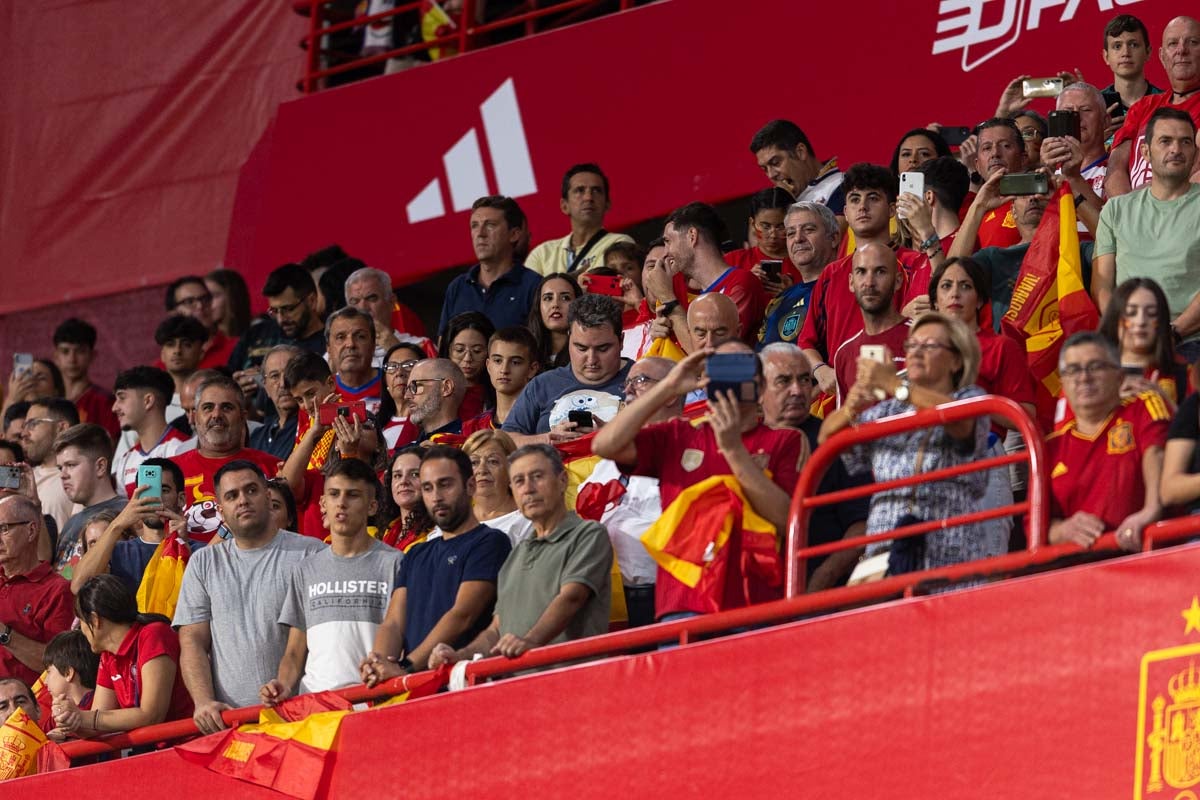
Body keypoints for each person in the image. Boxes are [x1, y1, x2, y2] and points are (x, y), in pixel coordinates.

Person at [593, 341, 809, 618]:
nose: (733, 378)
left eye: (743, 368)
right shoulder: (678, 436)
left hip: (755, 603)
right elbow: (605, 446)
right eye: (722, 370)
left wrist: (733, 450)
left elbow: (787, 520)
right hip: (684, 603)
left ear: (760, 385)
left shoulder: (785, 440)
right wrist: (669, 386)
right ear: (706, 382)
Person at [821, 313, 1004, 576]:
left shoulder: (969, 397)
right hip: (884, 552)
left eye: (929, 346)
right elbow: (827, 440)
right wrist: (852, 404)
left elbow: (961, 423)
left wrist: (894, 384)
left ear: (955, 360)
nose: (917, 352)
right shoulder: (890, 408)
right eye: (912, 345)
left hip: (947, 548)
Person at [429, 444, 612, 665]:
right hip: (519, 688)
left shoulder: (588, 534)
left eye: (537, 477)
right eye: (518, 481)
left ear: (562, 481)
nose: (528, 489)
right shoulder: (516, 553)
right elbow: (496, 629)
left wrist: (530, 642)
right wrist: (460, 656)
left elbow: (571, 597)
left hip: (571, 681)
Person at [174, 461, 323, 733]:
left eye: (251, 490)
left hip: (304, 716)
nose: (242, 500)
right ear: (220, 510)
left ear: (268, 496)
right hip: (232, 723)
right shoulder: (203, 563)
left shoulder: (311, 553)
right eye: (232, 496)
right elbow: (192, 640)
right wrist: (204, 701)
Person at [361, 446, 511, 680]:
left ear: (470, 486)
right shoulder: (416, 553)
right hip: (416, 687)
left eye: (445, 484)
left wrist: (406, 668)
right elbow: (392, 623)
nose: (436, 497)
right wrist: (378, 664)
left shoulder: (491, 542)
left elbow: (463, 614)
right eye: (428, 488)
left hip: (461, 684)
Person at [261, 459, 403, 703]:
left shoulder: (396, 563)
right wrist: (283, 684)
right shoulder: (306, 569)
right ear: (323, 503)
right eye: (334, 494)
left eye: (353, 495)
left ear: (372, 506)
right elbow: (295, 651)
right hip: (317, 708)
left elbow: (401, 635)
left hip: (373, 703)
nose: (342, 503)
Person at [798, 164, 929, 397]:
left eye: (873, 198)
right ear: (845, 212)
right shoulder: (830, 274)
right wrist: (820, 370)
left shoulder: (915, 263)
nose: (863, 207)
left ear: (891, 209)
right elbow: (807, 342)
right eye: (855, 199)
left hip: (898, 391)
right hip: (841, 399)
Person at [758, 343, 869, 591]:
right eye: (783, 381)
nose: (797, 390)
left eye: (805, 380)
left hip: (821, 593)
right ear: (758, 389)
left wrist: (825, 575)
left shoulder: (838, 439)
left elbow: (863, 524)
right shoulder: (741, 442)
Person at [576, 357, 678, 626]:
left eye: (641, 381)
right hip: (618, 600)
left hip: (673, 592)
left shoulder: (690, 446)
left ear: (670, 394)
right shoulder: (611, 458)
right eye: (628, 382)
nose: (629, 390)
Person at [1045, 332, 1167, 551]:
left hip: (1146, 556)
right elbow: (1037, 525)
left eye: (1095, 367)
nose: (1084, 377)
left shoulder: (1142, 408)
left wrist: (1149, 511)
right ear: (1063, 382)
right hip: (1077, 571)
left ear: (1119, 377)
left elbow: (1156, 453)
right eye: (1073, 370)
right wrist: (1062, 530)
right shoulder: (1050, 448)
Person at [1094, 108, 1200, 355]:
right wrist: (1126, 332)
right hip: (1127, 339)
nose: (1176, 149)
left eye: (1185, 142)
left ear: (1195, 153)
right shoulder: (1116, 209)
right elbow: (1101, 286)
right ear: (1145, 152)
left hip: (1192, 341)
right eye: (1165, 141)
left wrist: (1173, 332)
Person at [50, 574, 193, 736]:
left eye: (81, 621)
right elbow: (96, 725)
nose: (81, 630)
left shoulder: (154, 635)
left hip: (190, 745)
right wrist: (69, 721)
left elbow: (152, 714)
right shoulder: (108, 656)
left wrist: (83, 717)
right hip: (158, 753)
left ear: (95, 620)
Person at [949, 172, 1093, 328]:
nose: (1033, 198)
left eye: (1042, 191)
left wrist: (1073, 195)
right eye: (1023, 194)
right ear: (1013, 211)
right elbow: (950, 272)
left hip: (1066, 347)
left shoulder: (1077, 249)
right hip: (1014, 349)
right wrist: (979, 206)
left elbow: (1116, 249)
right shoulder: (994, 257)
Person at [502, 294, 632, 441]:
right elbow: (505, 442)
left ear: (621, 341)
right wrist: (547, 439)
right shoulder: (542, 385)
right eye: (581, 348)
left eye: (602, 349)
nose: (591, 360)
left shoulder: (643, 382)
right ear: (569, 337)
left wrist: (613, 436)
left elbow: (660, 440)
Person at [169, 375, 279, 542]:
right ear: (195, 416)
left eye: (226, 408)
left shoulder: (272, 467)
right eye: (207, 408)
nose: (216, 415)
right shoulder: (171, 471)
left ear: (243, 417)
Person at [649, 202, 767, 350]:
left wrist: (668, 300)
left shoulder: (742, 284)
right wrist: (662, 333)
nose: (665, 253)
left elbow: (711, 357)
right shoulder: (692, 296)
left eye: (668, 241)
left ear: (692, 236)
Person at [1106, 16, 1200, 195]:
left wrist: (1154, 207)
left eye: (1192, 42)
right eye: (1173, 44)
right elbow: (1115, 169)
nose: (1181, 50)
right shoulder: (1143, 107)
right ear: (1162, 56)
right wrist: (1130, 212)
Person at [70, 457, 187, 594]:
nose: (156, 498)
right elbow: (79, 586)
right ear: (135, 497)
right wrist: (117, 524)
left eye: (164, 490)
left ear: (181, 499)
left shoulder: (199, 551)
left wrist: (183, 545)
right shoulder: (117, 552)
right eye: (148, 491)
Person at [438, 195, 541, 339]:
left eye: (490, 225)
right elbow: (443, 346)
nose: (480, 234)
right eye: (474, 226)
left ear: (514, 234)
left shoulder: (534, 286)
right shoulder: (457, 287)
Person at [0, 495, 75, 686]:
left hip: (21, 709)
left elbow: (59, 664)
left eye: (3, 529)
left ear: (31, 531)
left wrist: (5, 634)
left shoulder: (57, 590)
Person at [831, 243, 911, 406]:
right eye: (861, 272)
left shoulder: (922, 338)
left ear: (898, 281)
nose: (869, 282)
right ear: (851, 282)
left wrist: (893, 384)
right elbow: (845, 424)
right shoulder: (844, 354)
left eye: (880, 272)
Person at [525, 164, 634, 276]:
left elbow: (621, 288)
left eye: (596, 191)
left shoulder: (619, 243)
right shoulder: (542, 253)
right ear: (564, 206)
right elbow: (528, 293)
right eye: (580, 190)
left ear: (607, 204)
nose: (588, 198)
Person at [1098, 278, 1190, 409]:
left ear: (1162, 322)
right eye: (1131, 313)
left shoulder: (1186, 375)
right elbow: (1066, 428)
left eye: (1151, 313)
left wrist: (1166, 405)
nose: (1141, 321)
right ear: (1114, 319)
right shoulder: (1087, 375)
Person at [758, 202, 840, 349]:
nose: (798, 239)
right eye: (790, 233)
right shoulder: (779, 300)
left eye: (808, 230)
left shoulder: (847, 290)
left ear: (833, 238)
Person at [227, 263, 328, 375]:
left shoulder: (330, 343)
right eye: (274, 311)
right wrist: (237, 385)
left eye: (288, 309)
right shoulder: (255, 334)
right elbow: (226, 380)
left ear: (312, 301)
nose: (281, 319)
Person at [52, 424, 126, 576]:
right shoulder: (72, 522)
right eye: (60, 468)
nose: (63, 475)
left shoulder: (125, 514)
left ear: (100, 466)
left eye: (71, 465)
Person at [111, 366, 190, 498]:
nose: (114, 407)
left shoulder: (182, 449)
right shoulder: (125, 461)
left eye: (122, 398)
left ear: (148, 401)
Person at [749, 119, 846, 214]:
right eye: (764, 169)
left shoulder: (842, 186)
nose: (771, 175)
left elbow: (832, 229)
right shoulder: (780, 207)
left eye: (775, 163)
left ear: (800, 152)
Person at [345, 266, 431, 367]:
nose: (363, 308)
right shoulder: (335, 354)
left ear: (392, 301)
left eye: (371, 298)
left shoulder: (422, 345)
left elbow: (431, 380)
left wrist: (395, 347)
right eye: (355, 301)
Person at [460, 430, 533, 546]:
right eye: (474, 462)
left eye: (492, 462)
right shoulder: (454, 520)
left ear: (511, 469)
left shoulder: (529, 521)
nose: (482, 470)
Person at [51, 318, 119, 440]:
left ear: (92, 355)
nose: (72, 359)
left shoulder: (105, 402)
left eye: (80, 351)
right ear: (56, 356)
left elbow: (111, 447)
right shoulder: (48, 402)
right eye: (65, 351)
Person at [21, 397, 81, 533]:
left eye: (33, 424)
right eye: (24, 426)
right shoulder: (24, 477)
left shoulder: (80, 476)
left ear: (61, 428)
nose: (24, 433)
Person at [466, 326, 541, 434]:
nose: (504, 370)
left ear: (532, 369)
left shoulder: (543, 423)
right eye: (497, 360)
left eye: (515, 362)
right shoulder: (471, 428)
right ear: (488, 366)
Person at [969, 118, 1028, 249]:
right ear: (977, 165)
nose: (995, 153)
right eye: (987, 148)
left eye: (1006, 146)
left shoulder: (1039, 201)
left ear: (1023, 159)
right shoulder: (972, 214)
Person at [724, 188, 795, 291]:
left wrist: (794, 293)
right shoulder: (732, 261)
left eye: (781, 226)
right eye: (766, 226)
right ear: (752, 223)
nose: (773, 235)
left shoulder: (807, 262)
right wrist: (744, 281)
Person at [162, 275, 237, 370]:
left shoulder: (237, 348)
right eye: (189, 302)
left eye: (205, 299)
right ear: (173, 313)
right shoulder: (164, 366)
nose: (200, 306)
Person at [1100, 14, 1163, 123]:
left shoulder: (1166, 103)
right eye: (1117, 46)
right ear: (1106, 57)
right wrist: (1097, 139)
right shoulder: (1096, 107)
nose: (1126, 53)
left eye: (1133, 45)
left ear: (1148, 52)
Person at [40, 630, 99, 739]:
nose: (45, 681)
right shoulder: (57, 713)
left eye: (49, 672)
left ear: (68, 673)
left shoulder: (102, 704)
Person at [248, 345, 302, 460]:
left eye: (290, 373)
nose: (283, 384)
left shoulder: (313, 427)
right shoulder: (257, 437)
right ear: (265, 386)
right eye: (275, 376)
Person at [325, 307, 383, 414]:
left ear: (374, 344)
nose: (350, 344)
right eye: (340, 337)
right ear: (328, 348)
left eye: (360, 337)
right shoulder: (320, 394)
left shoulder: (392, 385)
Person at [439, 312, 495, 421]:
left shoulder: (498, 392)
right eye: (459, 350)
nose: (468, 359)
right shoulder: (433, 389)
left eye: (477, 351)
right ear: (448, 351)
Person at [379, 446, 435, 551]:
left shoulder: (438, 532)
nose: (404, 481)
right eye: (397, 475)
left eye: (415, 474)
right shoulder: (389, 530)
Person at [378, 342, 426, 452]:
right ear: (385, 381)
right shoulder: (375, 425)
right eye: (392, 367)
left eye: (409, 365)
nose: (399, 372)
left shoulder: (430, 424)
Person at [528, 272, 581, 370]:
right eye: (548, 298)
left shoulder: (588, 355)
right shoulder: (525, 350)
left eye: (565, 298)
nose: (555, 304)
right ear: (538, 306)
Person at [407, 359, 467, 442]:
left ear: (446, 388)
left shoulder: (470, 447)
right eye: (408, 388)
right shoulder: (406, 451)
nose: (407, 396)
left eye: (416, 386)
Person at [154, 314, 208, 401]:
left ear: (201, 353)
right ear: (162, 354)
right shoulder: (154, 399)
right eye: (170, 344)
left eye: (186, 344)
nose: (177, 351)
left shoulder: (211, 397)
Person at [205, 268, 252, 340]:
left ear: (233, 298)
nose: (205, 303)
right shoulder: (201, 341)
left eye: (213, 295)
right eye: (204, 297)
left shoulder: (259, 332)